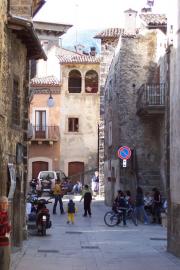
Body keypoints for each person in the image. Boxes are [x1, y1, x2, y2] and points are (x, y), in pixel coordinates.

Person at [0, 196, 11, 270]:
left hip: (6, 243)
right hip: (1, 243)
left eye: (6, 203)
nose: (4, 205)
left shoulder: (6, 214)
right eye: (2, 203)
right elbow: (5, 229)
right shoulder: (2, 214)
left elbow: (8, 228)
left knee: (5, 264)